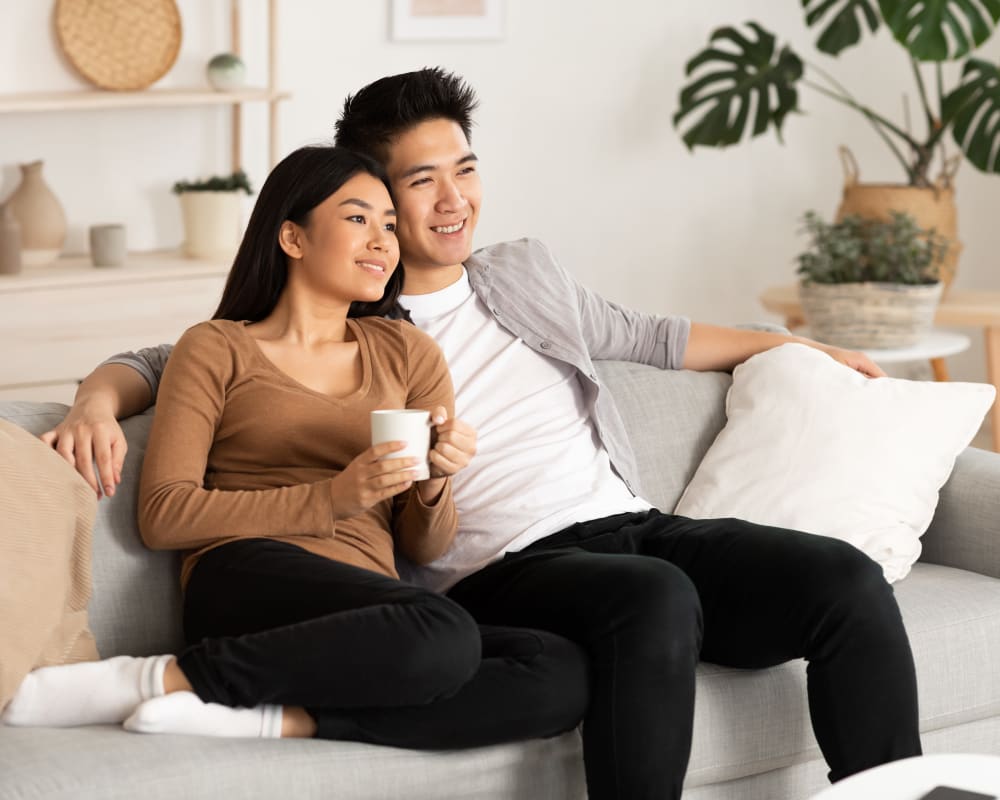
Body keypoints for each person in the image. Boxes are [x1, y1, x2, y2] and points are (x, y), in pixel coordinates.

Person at [38, 70, 920, 799]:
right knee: (652, 598)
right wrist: (93, 400)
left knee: (840, 578)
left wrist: (803, 345)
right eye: (418, 184)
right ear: (369, 198)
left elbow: (652, 336)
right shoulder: (359, 317)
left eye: (464, 168)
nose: (452, 199)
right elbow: (173, 358)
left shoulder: (521, 274)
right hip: (505, 573)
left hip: (627, 523)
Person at [2, 145, 590, 751]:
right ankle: (153, 678)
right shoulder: (216, 347)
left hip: (371, 603)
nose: (384, 241)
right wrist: (333, 497)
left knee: (560, 668)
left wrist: (435, 483)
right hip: (247, 576)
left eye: (390, 224)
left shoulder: (410, 353)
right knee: (442, 632)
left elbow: (423, 545)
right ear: (292, 237)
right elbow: (164, 513)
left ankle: (272, 717)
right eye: (359, 219)